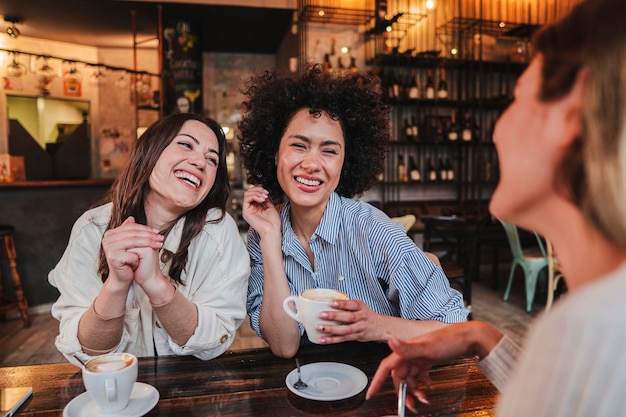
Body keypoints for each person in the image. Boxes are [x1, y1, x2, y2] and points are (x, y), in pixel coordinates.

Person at [367, 0, 626, 415]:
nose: (499, 131)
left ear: (569, 113)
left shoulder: (588, 332)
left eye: (518, 99)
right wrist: (481, 338)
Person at [238, 64, 469, 359]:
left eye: (329, 151)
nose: (312, 163)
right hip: (309, 388)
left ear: (345, 162)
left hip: (384, 383)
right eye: (299, 146)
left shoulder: (372, 229)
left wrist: (375, 326)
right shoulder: (263, 232)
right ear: (275, 153)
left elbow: (455, 330)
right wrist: (270, 239)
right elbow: (284, 346)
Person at [49, 113, 250, 366]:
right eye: (186, 144)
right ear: (149, 152)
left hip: (192, 391)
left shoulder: (218, 231)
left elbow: (212, 342)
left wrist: (155, 283)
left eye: (212, 159)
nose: (200, 161)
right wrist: (117, 284)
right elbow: (89, 351)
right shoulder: (92, 229)